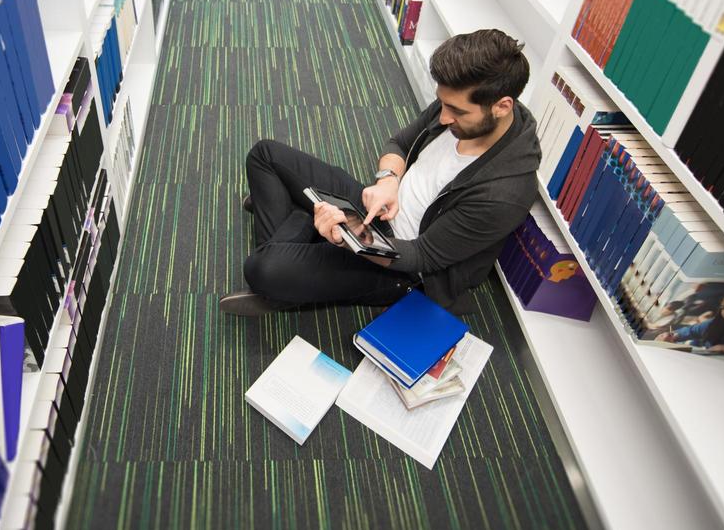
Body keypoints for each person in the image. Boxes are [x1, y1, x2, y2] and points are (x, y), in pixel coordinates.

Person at [220, 29, 541, 316]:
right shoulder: (462, 103)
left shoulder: (504, 194)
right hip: (379, 209)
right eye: (441, 103)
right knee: (264, 154)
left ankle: (295, 239)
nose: (442, 117)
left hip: (399, 266)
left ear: (502, 106)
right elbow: (399, 144)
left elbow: (422, 256)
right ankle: (302, 227)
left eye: (456, 111)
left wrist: (348, 240)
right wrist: (388, 180)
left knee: (263, 268)